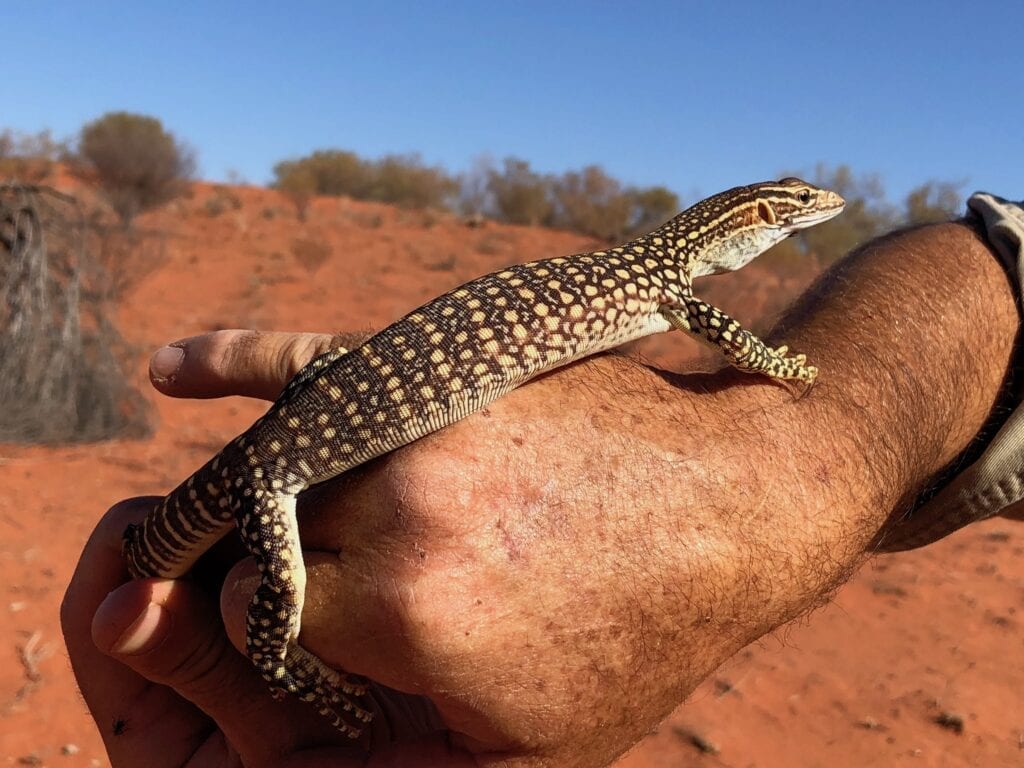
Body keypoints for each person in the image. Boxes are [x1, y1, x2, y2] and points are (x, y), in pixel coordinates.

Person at [61, 201, 1023, 768]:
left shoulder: (647, 277)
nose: (812, 215)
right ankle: (296, 669)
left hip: (287, 454)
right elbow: (732, 341)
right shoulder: (661, 285)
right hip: (271, 475)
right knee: (280, 606)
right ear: (756, 225)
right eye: (797, 209)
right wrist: (790, 371)